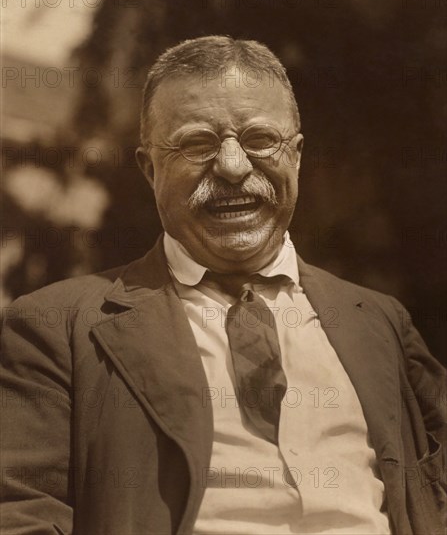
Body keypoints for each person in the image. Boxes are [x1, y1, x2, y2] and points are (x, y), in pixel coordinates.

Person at [1, 36, 445, 535]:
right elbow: (21, 514)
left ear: (295, 156)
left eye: (259, 140)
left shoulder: (379, 320)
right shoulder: (58, 326)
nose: (233, 168)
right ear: (150, 169)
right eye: (196, 144)